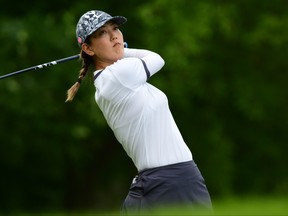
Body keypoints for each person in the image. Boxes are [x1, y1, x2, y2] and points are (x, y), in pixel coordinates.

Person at [66, 10, 212, 215]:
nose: (114, 36)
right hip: (170, 182)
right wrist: (124, 50)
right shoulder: (117, 76)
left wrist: (113, 49)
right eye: (102, 33)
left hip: (170, 180)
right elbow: (156, 58)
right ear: (88, 48)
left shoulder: (111, 80)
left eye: (115, 29)